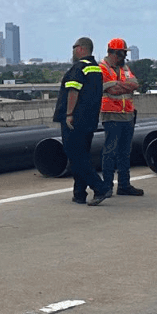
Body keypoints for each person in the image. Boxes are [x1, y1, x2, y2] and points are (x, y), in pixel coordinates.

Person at [52, 37, 112, 205]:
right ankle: (79, 193)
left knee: (75, 156)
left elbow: (73, 92)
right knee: (82, 155)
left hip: (75, 120)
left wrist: (69, 113)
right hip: (89, 119)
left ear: (81, 49)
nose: (72, 50)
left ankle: (100, 188)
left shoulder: (79, 68)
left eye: (74, 47)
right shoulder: (96, 69)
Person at [99, 38, 143, 196]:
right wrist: (123, 87)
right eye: (123, 53)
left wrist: (118, 85)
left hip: (128, 114)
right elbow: (111, 90)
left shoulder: (124, 68)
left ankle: (124, 185)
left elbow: (135, 84)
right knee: (110, 152)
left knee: (125, 152)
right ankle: (107, 186)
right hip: (111, 114)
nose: (125, 56)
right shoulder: (102, 68)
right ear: (115, 53)